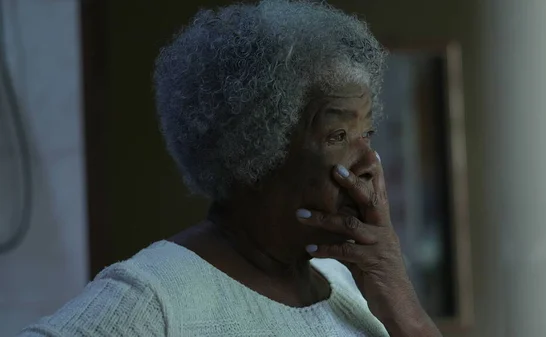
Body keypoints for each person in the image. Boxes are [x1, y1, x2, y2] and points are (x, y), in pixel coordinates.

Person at [19, 1, 441, 336]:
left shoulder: (349, 282)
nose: (369, 162)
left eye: (366, 132)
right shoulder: (155, 297)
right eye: (337, 136)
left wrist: (403, 305)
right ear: (253, 149)